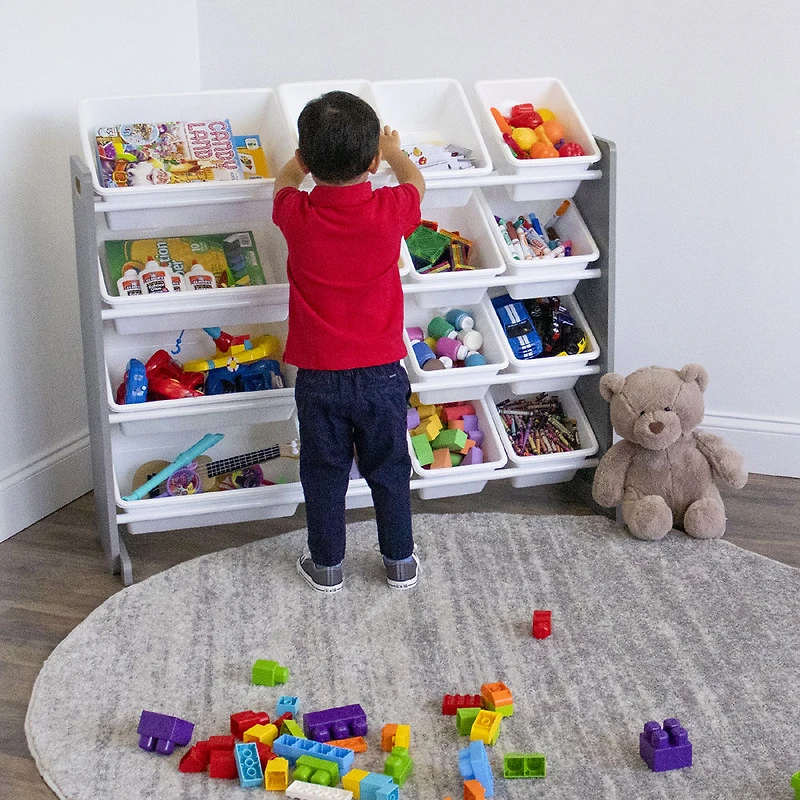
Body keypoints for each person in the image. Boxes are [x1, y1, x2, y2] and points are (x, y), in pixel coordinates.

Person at [272, 91, 425, 593]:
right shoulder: (389, 209)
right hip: (382, 374)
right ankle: (400, 562)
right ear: (373, 162)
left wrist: (297, 166)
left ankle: (328, 566)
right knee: (390, 469)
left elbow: (283, 183)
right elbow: (416, 182)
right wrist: (396, 151)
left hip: (318, 377)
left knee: (323, 474)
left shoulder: (296, 214)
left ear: (305, 158)